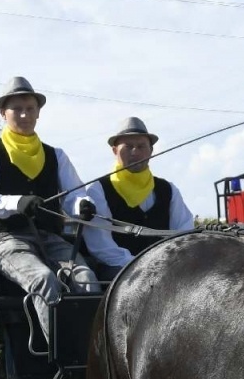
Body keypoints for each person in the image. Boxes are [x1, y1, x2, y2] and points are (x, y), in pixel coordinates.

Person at [0, 77, 99, 354]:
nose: (25, 115)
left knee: (87, 279)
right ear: (3, 113)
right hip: (7, 239)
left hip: (50, 238)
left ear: (39, 112)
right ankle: (66, 360)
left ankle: (94, 358)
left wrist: (82, 207)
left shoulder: (56, 155)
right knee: (44, 280)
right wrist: (18, 202)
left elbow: (76, 194)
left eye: (30, 108)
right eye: (17, 109)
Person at [81, 117, 196, 281]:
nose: (135, 152)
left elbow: (185, 234)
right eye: (128, 147)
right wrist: (140, 266)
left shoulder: (169, 190)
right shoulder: (98, 190)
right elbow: (101, 246)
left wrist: (167, 264)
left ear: (151, 150)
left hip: (166, 270)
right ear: (115, 151)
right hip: (119, 273)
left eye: (141, 146)